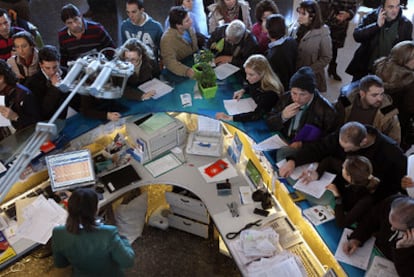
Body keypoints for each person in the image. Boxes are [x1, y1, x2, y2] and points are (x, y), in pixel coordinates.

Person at [279, 121, 406, 203]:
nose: (343, 150)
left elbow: (394, 184)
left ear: (363, 142)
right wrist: (293, 161)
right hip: (330, 180)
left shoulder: (391, 153)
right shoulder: (347, 132)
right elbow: (321, 147)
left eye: (348, 149)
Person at [52, 188, 135, 276]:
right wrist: (123, 239)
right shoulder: (109, 232)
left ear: (68, 209)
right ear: (96, 210)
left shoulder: (58, 232)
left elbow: (61, 264)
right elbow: (128, 262)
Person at [266, 66, 338, 161]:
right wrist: (282, 116)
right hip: (282, 141)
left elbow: (328, 143)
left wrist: (303, 144)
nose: (297, 99)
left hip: (304, 151)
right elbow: (269, 122)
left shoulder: (327, 111)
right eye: (294, 93)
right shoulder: (286, 98)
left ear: (312, 92)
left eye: (303, 94)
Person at [342, 195, 414, 277]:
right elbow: (372, 218)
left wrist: (402, 249)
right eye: (391, 223)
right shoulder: (392, 202)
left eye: (398, 228)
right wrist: (357, 237)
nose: (392, 228)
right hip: (376, 251)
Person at [345, 0, 412, 81]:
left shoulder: (406, 24)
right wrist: (376, 26)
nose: (395, 10)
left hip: (388, 72)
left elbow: (407, 51)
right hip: (365, 66)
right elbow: (357, 36)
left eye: (397, 6)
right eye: (391, 7)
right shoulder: (371, 17)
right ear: (382, 7)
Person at [215, 54, 283, 122]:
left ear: (262, 73)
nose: (247, 78)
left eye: (251, 74)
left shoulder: (270, 93)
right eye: (246, 73)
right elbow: (252, 86)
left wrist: (230, 118)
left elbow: (256, 115)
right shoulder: (257, 79)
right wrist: (243, 90)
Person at [336, 75, 401, 144]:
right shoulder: (346, 100)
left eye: (381, 94)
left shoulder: (389, 113)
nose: (380, 99)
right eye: (374, 95)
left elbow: (394, 141)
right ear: (362, 94)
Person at [374, 40, 414, 150]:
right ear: (404, 60)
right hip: (397, 120)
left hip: (375, 113)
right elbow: (410, 108)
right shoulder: (410, 80)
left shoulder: (380, 66)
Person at [326, 155, 380, 228]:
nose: (341, 167)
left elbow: (342, 223)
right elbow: (330, 160)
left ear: (349, 177)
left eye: (343, 168)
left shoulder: (365, 199)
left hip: (359, 222)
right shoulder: (361, 176)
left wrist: (337, 195)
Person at [289, 0, 332, 92]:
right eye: (299, 12)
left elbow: (326, 57)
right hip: (294, 70)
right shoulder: (296, 27)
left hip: (311, 75)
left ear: (312, 17)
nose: (299, 16)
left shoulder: (323, 33)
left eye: (303, 14)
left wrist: (309, 70)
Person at [25, 45, 68, 121]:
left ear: (59, 62)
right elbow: (42, 111)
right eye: (47, 68)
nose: (52, 71)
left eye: (55, 67)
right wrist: (54, 88)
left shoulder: (67, 73)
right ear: (41, 65)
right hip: (49, 120)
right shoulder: (32, 83)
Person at [0, 59, 40, 140]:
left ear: (2, 78)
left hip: (25, 140)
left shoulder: (23, 94)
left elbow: (37, 123)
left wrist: (16, 117)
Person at [319, 0, 357, 81]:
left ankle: (332, 69)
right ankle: (317, 73)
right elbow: (321, 5)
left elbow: (354, 6)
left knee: (334, 48)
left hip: (341, 26)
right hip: (325, 23)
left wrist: (349, 14)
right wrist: (336, 16)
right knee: (320, 49)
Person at [160, 6, 198, 83]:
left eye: (189, 18)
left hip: (193, 63)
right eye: (187, 21)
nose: (191, 21)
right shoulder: (167, 40)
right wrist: (186, 71)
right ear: (178, 25)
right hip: (179, 73)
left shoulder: (188, 28)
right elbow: (169, 62)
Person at [265, 14, 298, 90]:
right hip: (292, 82)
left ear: (268, 30)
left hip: (280, 88)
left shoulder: (273, 56)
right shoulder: (291, 41)